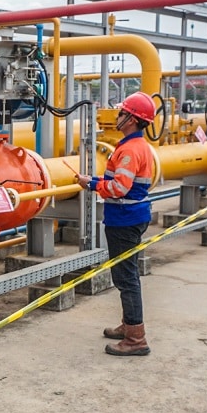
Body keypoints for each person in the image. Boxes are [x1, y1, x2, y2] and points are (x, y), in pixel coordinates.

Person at [75, 92, 156, 357]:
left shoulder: (130, 150)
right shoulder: (136, 146)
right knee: (126, 276)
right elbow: (120, 180)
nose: (117, 116)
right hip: (131, 217)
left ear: (132, 119)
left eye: (121, 113)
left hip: (124, 220)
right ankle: (129, 326)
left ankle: (136, 338)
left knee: (126, 278)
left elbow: (119, 188)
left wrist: (92, 185)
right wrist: (95, 179)